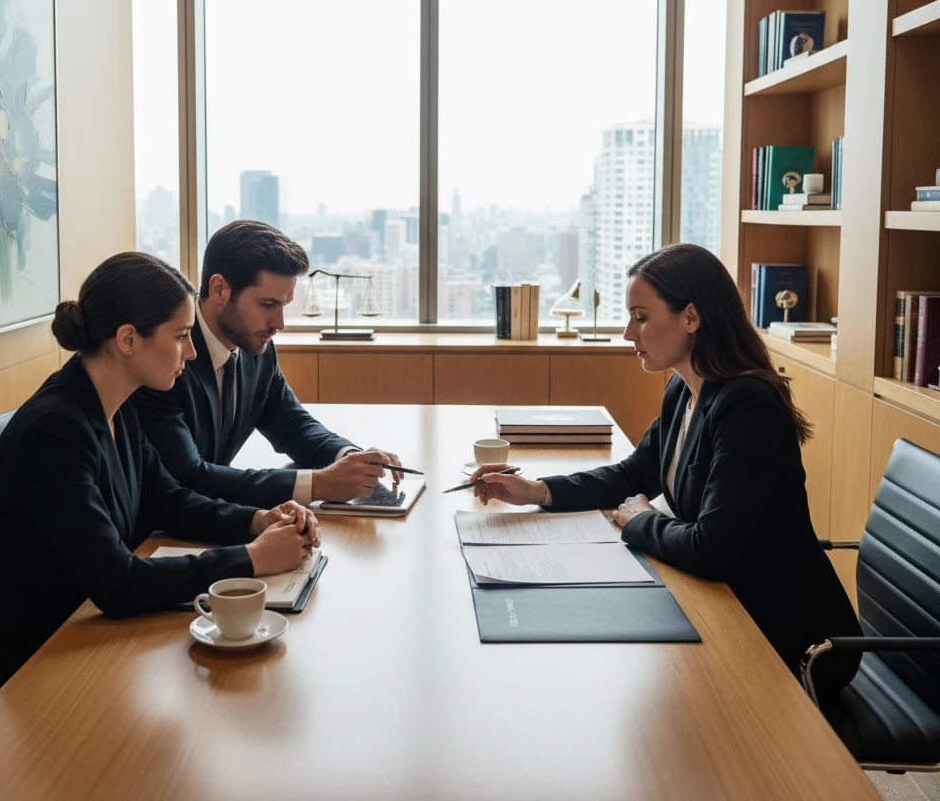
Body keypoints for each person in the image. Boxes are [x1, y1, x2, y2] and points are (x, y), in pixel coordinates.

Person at [0, 252, 319, 733]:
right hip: (5, 678)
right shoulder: (54, 430)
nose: (191, 353)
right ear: (128, 339)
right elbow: (117, 582)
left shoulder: (115, 405)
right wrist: (252, 559)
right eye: (179, 337)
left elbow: (168, 498)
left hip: (70, 637)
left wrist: (256, 520)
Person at [469, 243, 862, 699]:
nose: (626, 333)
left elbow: (711, 549)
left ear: (691, 317)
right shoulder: (684, 387)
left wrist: (640, 521)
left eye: (640, 317)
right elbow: (634, 474)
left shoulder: (748, 406)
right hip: (725, 603)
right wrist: (537, 491)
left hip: (790, 637)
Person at [134, 220, 401, 507]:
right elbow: (188, 476)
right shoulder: (164, 356)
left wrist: (349, 459)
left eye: (284, 305)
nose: (279, 324)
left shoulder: (256, 347)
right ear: (220, 289)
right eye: (267, 305)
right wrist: (319, 484)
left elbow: (292, 424)